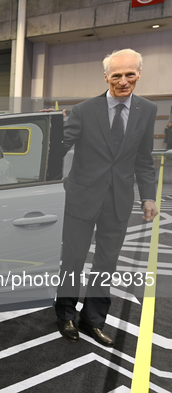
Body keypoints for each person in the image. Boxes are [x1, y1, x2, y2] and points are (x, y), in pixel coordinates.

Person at [55, 49, 158, 347]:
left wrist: (148, 197)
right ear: (106, 77)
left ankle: (93, 320)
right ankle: (65, 314)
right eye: (117, 75)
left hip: (119, 200)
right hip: (81, 197)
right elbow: (61, 147)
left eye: (129, 75)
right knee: (73, 260)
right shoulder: (85, 110)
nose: (123, 81)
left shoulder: (147, 110)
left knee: (106, 263)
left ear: (138, 74)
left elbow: (144, 159)